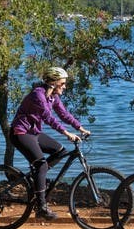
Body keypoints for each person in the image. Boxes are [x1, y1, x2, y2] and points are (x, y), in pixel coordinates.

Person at [9, 67, 90, 220]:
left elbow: (64, 114)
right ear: (53, 83)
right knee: (41, 165)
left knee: (61, 151)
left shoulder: (53, 97)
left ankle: (38, 176)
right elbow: (48, 118)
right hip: (20, 133)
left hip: (33, 133)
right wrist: (66, 133)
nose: (65, 86)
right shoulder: (37, 95)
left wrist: (79, 127)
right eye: (63, 83)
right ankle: (41, 208)